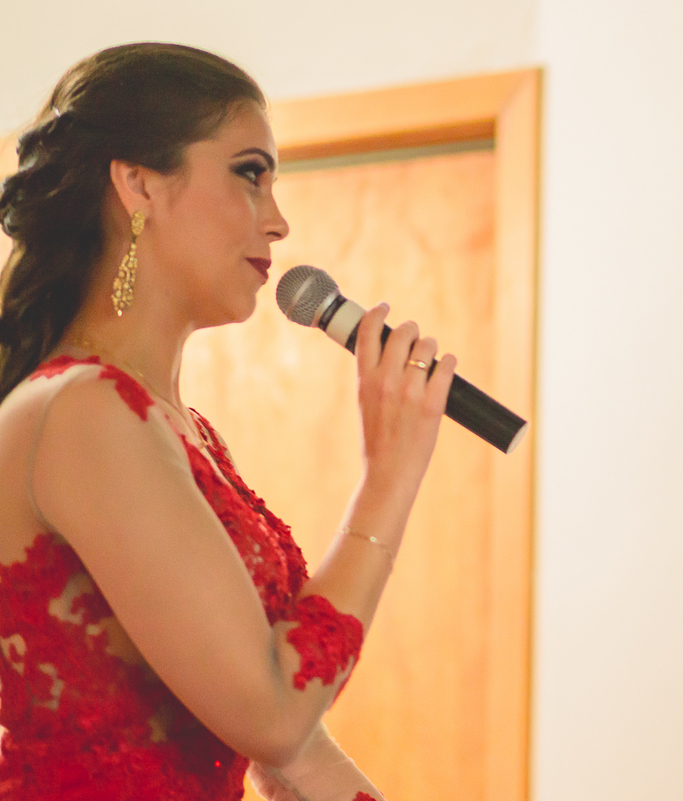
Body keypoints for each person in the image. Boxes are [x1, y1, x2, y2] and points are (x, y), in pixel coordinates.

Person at [0, 43, 457, 800]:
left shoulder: (183, 430)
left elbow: (293, 754)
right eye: (251, 174)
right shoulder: (84, 412)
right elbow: (273, 714)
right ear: (138, 183)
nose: (277, 222)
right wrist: (389, 477)